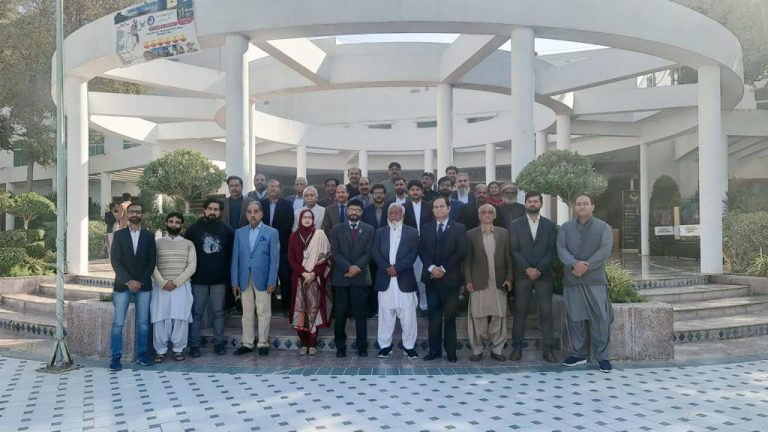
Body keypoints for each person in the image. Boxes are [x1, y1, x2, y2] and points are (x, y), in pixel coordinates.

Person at [557, 194, 614, 372]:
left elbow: (604, 250)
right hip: (572, 279)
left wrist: (586, 266)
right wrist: (575, 264)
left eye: (585, 203)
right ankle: (579, 354)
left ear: (592, 206)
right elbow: (561, 249)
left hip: (595, 280)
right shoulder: (565, 228)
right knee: (575, 318)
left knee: (600, 318)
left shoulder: (603, 227)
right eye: (579, 204)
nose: (582, 206)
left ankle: (602, 357)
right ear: (575, 207)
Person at [509, 192, 558, 363]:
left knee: (546, 313)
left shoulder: (550, 225)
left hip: (543, 275)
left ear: (541, 204)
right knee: (520, 312)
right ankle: (517, 348)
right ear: (525, 204)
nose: (532, 204)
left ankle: (548, 350)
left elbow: (553, 250)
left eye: (535, 201)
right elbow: (514, 249)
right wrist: (527, 268)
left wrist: (539, 269)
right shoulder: (515, 225)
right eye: (529, 201)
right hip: (523, 275)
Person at [109, 202, 156, 371]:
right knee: (118, 323)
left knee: (143, 322)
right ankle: (115, 357)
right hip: (123, 285)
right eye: (132, 212)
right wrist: (129, 281)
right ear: (127, 215)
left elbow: (152, 261)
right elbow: (115, 261)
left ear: (143, 215)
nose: (135, 214)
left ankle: (142, 355)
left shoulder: (149, 236)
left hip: (144, 285)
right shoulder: (119, 235)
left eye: (138, 212)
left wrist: (140, 281)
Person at [419, 196, 467, 362]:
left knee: (450, 316)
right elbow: (422, 250)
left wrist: (443, 269)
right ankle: (434, 350)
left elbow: (461, 251)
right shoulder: (426, 227)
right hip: (432, 279)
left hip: (450, 279)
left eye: (442, 206)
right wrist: (432, 268)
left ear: (449, 208)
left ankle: (451, 351)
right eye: (436, 207)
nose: (439, 209)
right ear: (432, 210)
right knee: (433, 317)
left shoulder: (459, 228)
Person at [463, 204, 513, 362]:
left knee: (499, 316)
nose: (487, 215)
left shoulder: (504, 233)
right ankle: (477, 349)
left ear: (494, 215)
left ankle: (497, 349)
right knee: (477, 316)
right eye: (483, 212)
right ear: (479, 216)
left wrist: (509, 278)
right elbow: (467, 261)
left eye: (490, 212)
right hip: (478, 281)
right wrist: (468, 280)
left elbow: (510, 258)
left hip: (499, 281)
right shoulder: (471, 234)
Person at [185, 197, 234, 357]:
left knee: (219, 313)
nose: (213, 212)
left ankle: (218, 343)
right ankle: (194, 345)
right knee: (197, 313)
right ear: (204, 210)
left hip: (219, 280)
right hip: (198, 280)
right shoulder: (193, 229)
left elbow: (232, 255)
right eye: (210, 209)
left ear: (220, 212)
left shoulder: (227, 230)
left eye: (216, 209)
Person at [231, 201, 280, 356]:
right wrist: (234, 281)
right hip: (244, 278)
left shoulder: (271, 232)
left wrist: (272, 280)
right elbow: (235, 258)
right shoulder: (239, 233)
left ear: (261, 213)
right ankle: (247, 343)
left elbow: (275, 260)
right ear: (246, 214)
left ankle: (263, 343)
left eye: (256, 211)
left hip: (264, 278)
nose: (252, 214)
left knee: (264, 311)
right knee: (247, 312)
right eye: (249, 212)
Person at [372, 204, 420, 360]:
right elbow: (375, 252)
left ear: (402, 215)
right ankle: (385, 346)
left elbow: (413, 254)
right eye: (391, 213)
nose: (393, 215)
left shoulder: (412, 233)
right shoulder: (380, 232)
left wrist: (397, 268)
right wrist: (387, 268)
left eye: (397, 213)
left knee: (408, 316)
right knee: (385, 315)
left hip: (404, 279)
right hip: (385, 279)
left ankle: (409, 347)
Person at [329, 200, 374, 357]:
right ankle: (340, 347)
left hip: (360, 277)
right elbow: (335, 252)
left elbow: (369, 252)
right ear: (347, 211)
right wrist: (349, 267)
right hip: (341, 276)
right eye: (352, 209)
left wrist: (357, 267)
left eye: (357, 210)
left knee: (360, 314)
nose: (354, 212)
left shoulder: (369, 229)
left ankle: (362, 346)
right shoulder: (337, 229)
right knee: (340, 314)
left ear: (361, 212)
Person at [151, 212, 197, 363]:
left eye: (177, 222)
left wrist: (176, 282)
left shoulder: (189, 244)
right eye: (171, 221)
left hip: (181, 286)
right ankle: (160, 351)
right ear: (166, 222)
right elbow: (152, 265)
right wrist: (162, 282)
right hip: (160, 287)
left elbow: (191, 267)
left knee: (180, 318)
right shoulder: (157, 243)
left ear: (182, 225)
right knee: (160, 318)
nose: (174, 224)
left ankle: (178, 349)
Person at [288, 209, 332, 355]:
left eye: (309, 217)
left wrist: (313, 273)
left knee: (314, 311)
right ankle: (303, 342)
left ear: (313, 220)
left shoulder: (319, 235)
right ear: (300, 219)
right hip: (299, 278)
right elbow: (291, 259)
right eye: (304, 217)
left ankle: (312, 342)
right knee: (300, 311)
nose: (307, 220)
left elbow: (325, 258)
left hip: (315, 279)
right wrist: (303, 273)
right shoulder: (294, 236)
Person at [260, 179, 295, 314]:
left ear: (279, 189)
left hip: (282, 248)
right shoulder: (261, 204)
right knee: (268, 278)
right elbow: (259, 224)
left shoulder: (287, 204)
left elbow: (288, 224)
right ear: (266, 189)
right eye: (270, 186)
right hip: (264, 248)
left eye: (275, 186)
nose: (272, 189)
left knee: (285, 277)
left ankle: (286, 307)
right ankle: (270, 305)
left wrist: (274, 238)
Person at [403, 179, 433, 313]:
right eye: (412, 190)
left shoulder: (429, 206)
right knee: (411, 275)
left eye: (418, 189)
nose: (415, 192)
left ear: (422, 191)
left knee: (423, 276)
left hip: (426, 245)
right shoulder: (403, 207)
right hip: (409, 246)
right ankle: (412, 305)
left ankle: (424, 305)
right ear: (408, 192)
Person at [361, 183, 390, 317]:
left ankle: (387, 308)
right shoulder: (366, 210)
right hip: (371, 249)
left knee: (387, 279)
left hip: (388, 249)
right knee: (372, 280)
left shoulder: (391, 208)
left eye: (381, 193)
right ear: (372, 195)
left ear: (385, 194)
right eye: (376, 193)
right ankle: (373, 308)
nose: (378, 195)